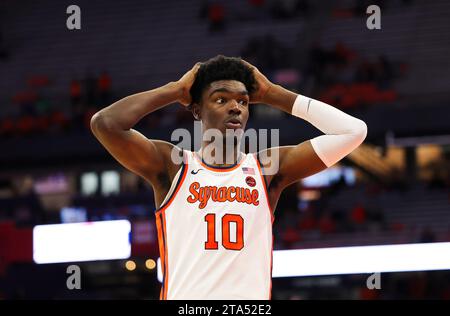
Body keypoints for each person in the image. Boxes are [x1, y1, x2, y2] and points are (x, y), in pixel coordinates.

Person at [90, 55, 367, 300]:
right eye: (221, 99)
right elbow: (105, 123)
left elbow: (353, 131)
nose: (236, 107)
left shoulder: (267, 169)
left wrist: (273, 93)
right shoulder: (173, 165)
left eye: (243, 101)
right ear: (197, 110)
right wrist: (175, 90)